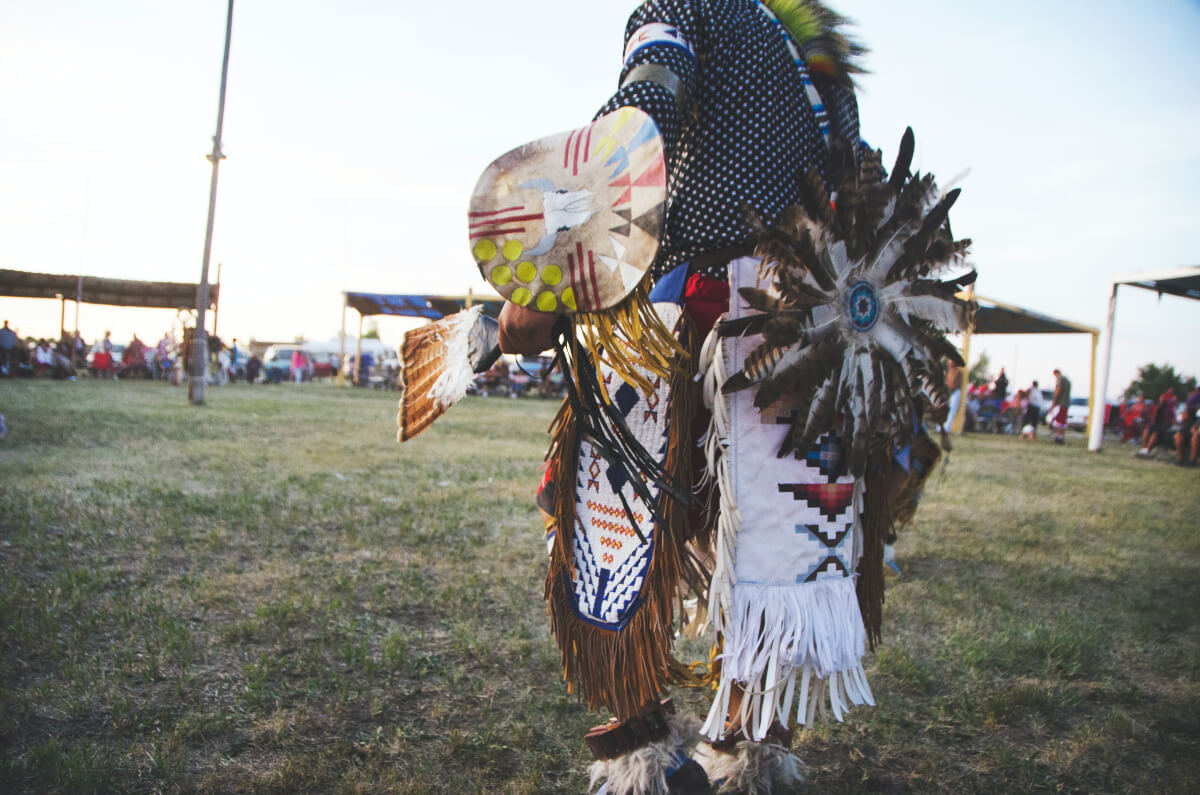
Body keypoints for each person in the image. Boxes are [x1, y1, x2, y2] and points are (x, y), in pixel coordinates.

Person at [490, 2, 963, 791]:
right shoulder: (816, 53)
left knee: (604, 518)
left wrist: (551, 271)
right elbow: (858, 175)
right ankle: (752, 746)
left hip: (695, 309)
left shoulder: (684, 8)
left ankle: (639, 748)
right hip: (810, 332)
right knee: (775, 542)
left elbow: (643, 117)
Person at [1137, 389, 1177, 458]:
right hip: (1157, 424)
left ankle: (1147, 449)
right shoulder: (1159, 407)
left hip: (1165, 425)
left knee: (1156, 432)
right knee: (1147, 430)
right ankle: (1143, 448)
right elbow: (1154, 418)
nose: (1161, 399)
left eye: (1162, 399)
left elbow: (1172, 419)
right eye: (1161, 398)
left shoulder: (1170, 407)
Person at [1173, 386, 1200, 466]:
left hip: (1196, 425)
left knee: (1195, 435)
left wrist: (1196, 425)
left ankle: (1192, 461)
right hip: (1189, 424)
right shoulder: (1190, 401)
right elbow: (1184, 418)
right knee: (1177, 436)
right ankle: (1181, 459)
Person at [1050, 368, 1071, 444]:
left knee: (1058, 422)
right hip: (1066, 403)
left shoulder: (1060, 379)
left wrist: (1054, 400)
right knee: (1063, 421)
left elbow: (1058, 389)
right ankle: (1061, 437)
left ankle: (1059, 437)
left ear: (1056, 373)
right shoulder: (1067, 380)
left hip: (1060, 403)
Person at [943, 360, 963, 433]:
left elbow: (957, 383)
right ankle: (941, 427)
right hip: (949, 392)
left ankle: (947, 428)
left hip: (955, 392)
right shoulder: (949, 371)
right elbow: (947, 382)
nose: (949, 363)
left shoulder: (958, 371)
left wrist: (951, 389)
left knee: (952, 411)